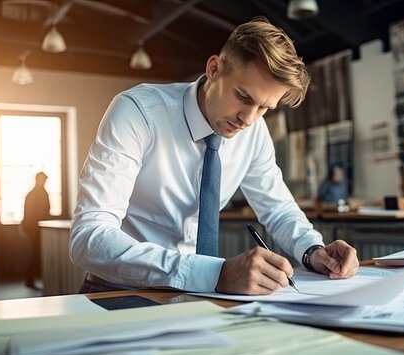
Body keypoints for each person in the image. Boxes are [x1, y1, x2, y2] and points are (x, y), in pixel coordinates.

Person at [70, 17, 359, 295]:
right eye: (244, 97)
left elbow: (278, 208)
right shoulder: (137, 112)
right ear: (213, 69)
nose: (248, 118)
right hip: (117, 290)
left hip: (196, 292)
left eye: (264, 108)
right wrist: (213, 274)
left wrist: (312, 250)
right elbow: (89, 237)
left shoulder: (254, 130)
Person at [21, 172, 51, 288]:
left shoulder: (33, 193)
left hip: (33, 229)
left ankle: (31, 280)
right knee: (35, 254)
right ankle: (30, 280)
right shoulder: (39, 194)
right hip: (35, 230)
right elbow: (41, 213)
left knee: (35, 254)